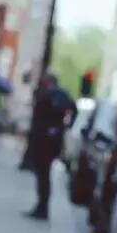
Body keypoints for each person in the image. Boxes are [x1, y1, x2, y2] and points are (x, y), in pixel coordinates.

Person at [24, 71, 77, 220]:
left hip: (45, 141)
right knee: (43, 174)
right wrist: (66, 125)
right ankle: (42, 205)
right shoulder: (61, 95)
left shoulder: (53, 95)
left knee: (43, 174)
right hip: (51, 139)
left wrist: (58, 127)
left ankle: (42, 206)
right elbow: (73, 109)